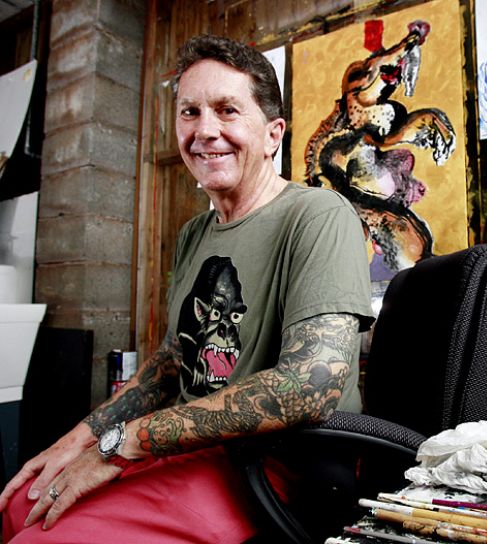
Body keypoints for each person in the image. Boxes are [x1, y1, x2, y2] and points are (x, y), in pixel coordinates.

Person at [0, 34, 374, 543]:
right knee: (21, 504)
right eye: (189, 112)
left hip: (271, 465)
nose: (204, 131)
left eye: (227, 110)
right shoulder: (194, 233)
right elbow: (171, 363)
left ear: (273, 134)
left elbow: (312, 385)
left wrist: (124, 442)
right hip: (189, 450)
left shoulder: (318, 215)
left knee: (42, 539)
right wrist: (80, 440)